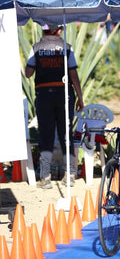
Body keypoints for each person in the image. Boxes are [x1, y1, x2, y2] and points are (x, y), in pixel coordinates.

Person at [25, 24, 84, 189]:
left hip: (43, 95)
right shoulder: (67, 48)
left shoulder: (36, 48)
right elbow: (73, 74)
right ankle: (70, 174)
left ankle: (45, 177)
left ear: (44, 30)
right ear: (57, 30)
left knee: (46, 134)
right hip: (64, 95)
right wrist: (80, 97)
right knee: (66, 133)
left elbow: (28, 73)